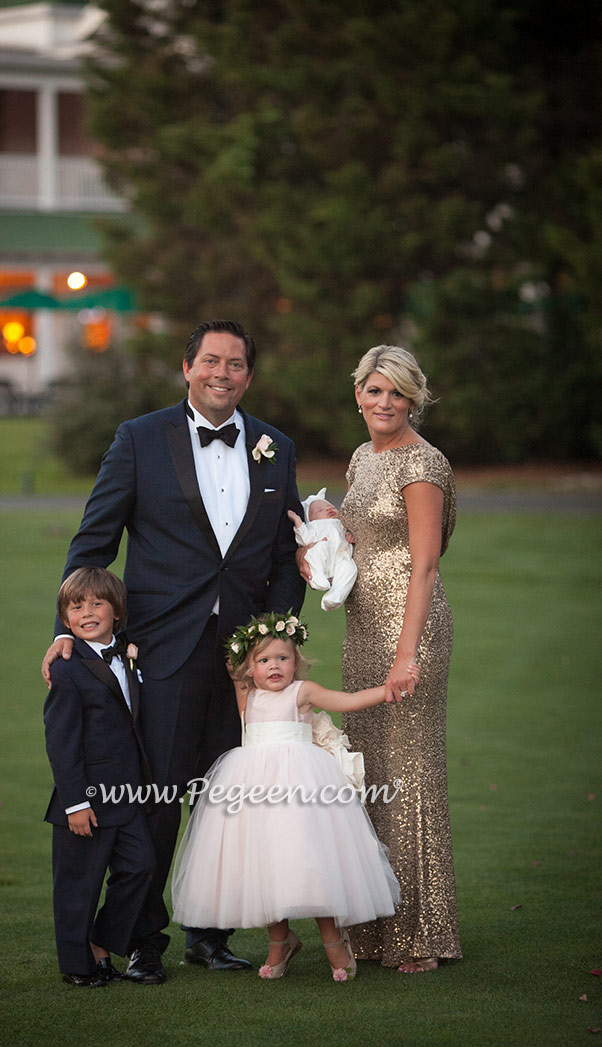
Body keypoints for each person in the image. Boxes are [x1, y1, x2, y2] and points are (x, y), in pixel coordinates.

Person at [41, 319, 306, 983]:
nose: (223, 373)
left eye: (236, 363)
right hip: (159, 651)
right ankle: (140, 938)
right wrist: (69, 628)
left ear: (249, 374)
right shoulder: (139, 438)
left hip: (244, 663)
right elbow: (93, 541)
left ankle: (210, 934)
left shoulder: (276, 446)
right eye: (211, 360)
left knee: (227, 801)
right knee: (156, 802)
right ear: (186, 367)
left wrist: (271, 635)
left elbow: (283, 556)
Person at [300, 344, 461, 973]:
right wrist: (319, 540)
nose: (384, 403)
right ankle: (372, 929)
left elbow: (423, 564)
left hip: (408, 629)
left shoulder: (422, 464)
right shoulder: (363, 457)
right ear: (358, 396)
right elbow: (360, 537)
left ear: (414, 398)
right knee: (368, 774)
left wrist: (406, 654)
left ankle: (422, 934)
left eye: (396, 392)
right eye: (374, 391)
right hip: (363, 627)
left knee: (411, 775)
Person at [171, 611, 419, 982]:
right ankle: (280, 941)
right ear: (249, 669)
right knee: (265, 865)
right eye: (264, 660)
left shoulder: (302, 693)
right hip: (252, 791)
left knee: (310, 862)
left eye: (283, 658)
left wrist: (384, 692)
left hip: (303, 792)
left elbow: (344, 701)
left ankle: (334, 940)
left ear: (296, 662)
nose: (274, 667)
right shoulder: (247, 696)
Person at [43, 567, 156, 987]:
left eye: (96, 604)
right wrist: (76, 803)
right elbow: (62, 743)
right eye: (76, 607)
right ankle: (78, 965)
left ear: (116, 611)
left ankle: (102, 941)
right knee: (79, 885)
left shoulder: (129, 653)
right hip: (85, 799)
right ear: (66, 619)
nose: (87, 613)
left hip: (126, 793)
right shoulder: (67, 670)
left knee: (141, 868)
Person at [287, 488, 358, 611]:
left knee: (350, 568)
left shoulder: (340, 524)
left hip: (340, 559)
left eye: (331, 507)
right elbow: (305, 539)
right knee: (320, 547)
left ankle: (335, 596)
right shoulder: (314, 527)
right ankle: (317, 577)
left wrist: (349, 535)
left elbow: (348, 534)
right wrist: (298, 522)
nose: (328, 509)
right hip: (321, 559)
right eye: (319, 510)